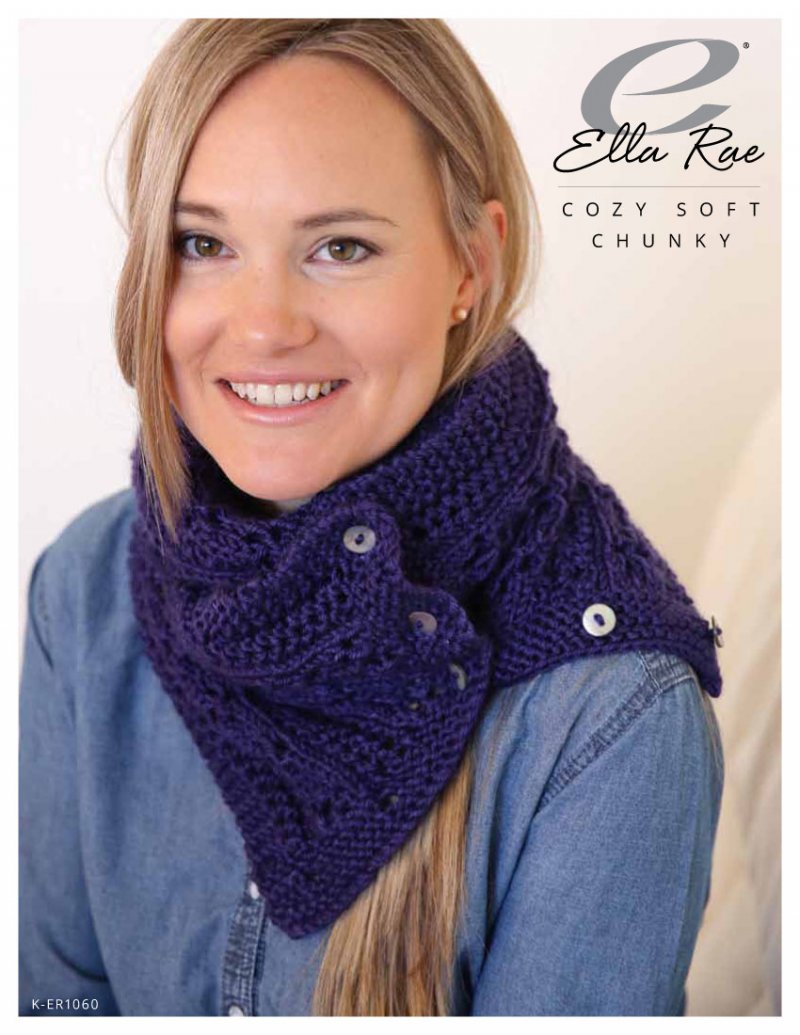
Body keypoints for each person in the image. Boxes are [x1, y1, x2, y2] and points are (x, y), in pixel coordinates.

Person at [18, 19, 725, 1017]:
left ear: (470, 266)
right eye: (203, 243)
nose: (264, 325)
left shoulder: (613, 710)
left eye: (340, 247)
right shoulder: (87, 586)